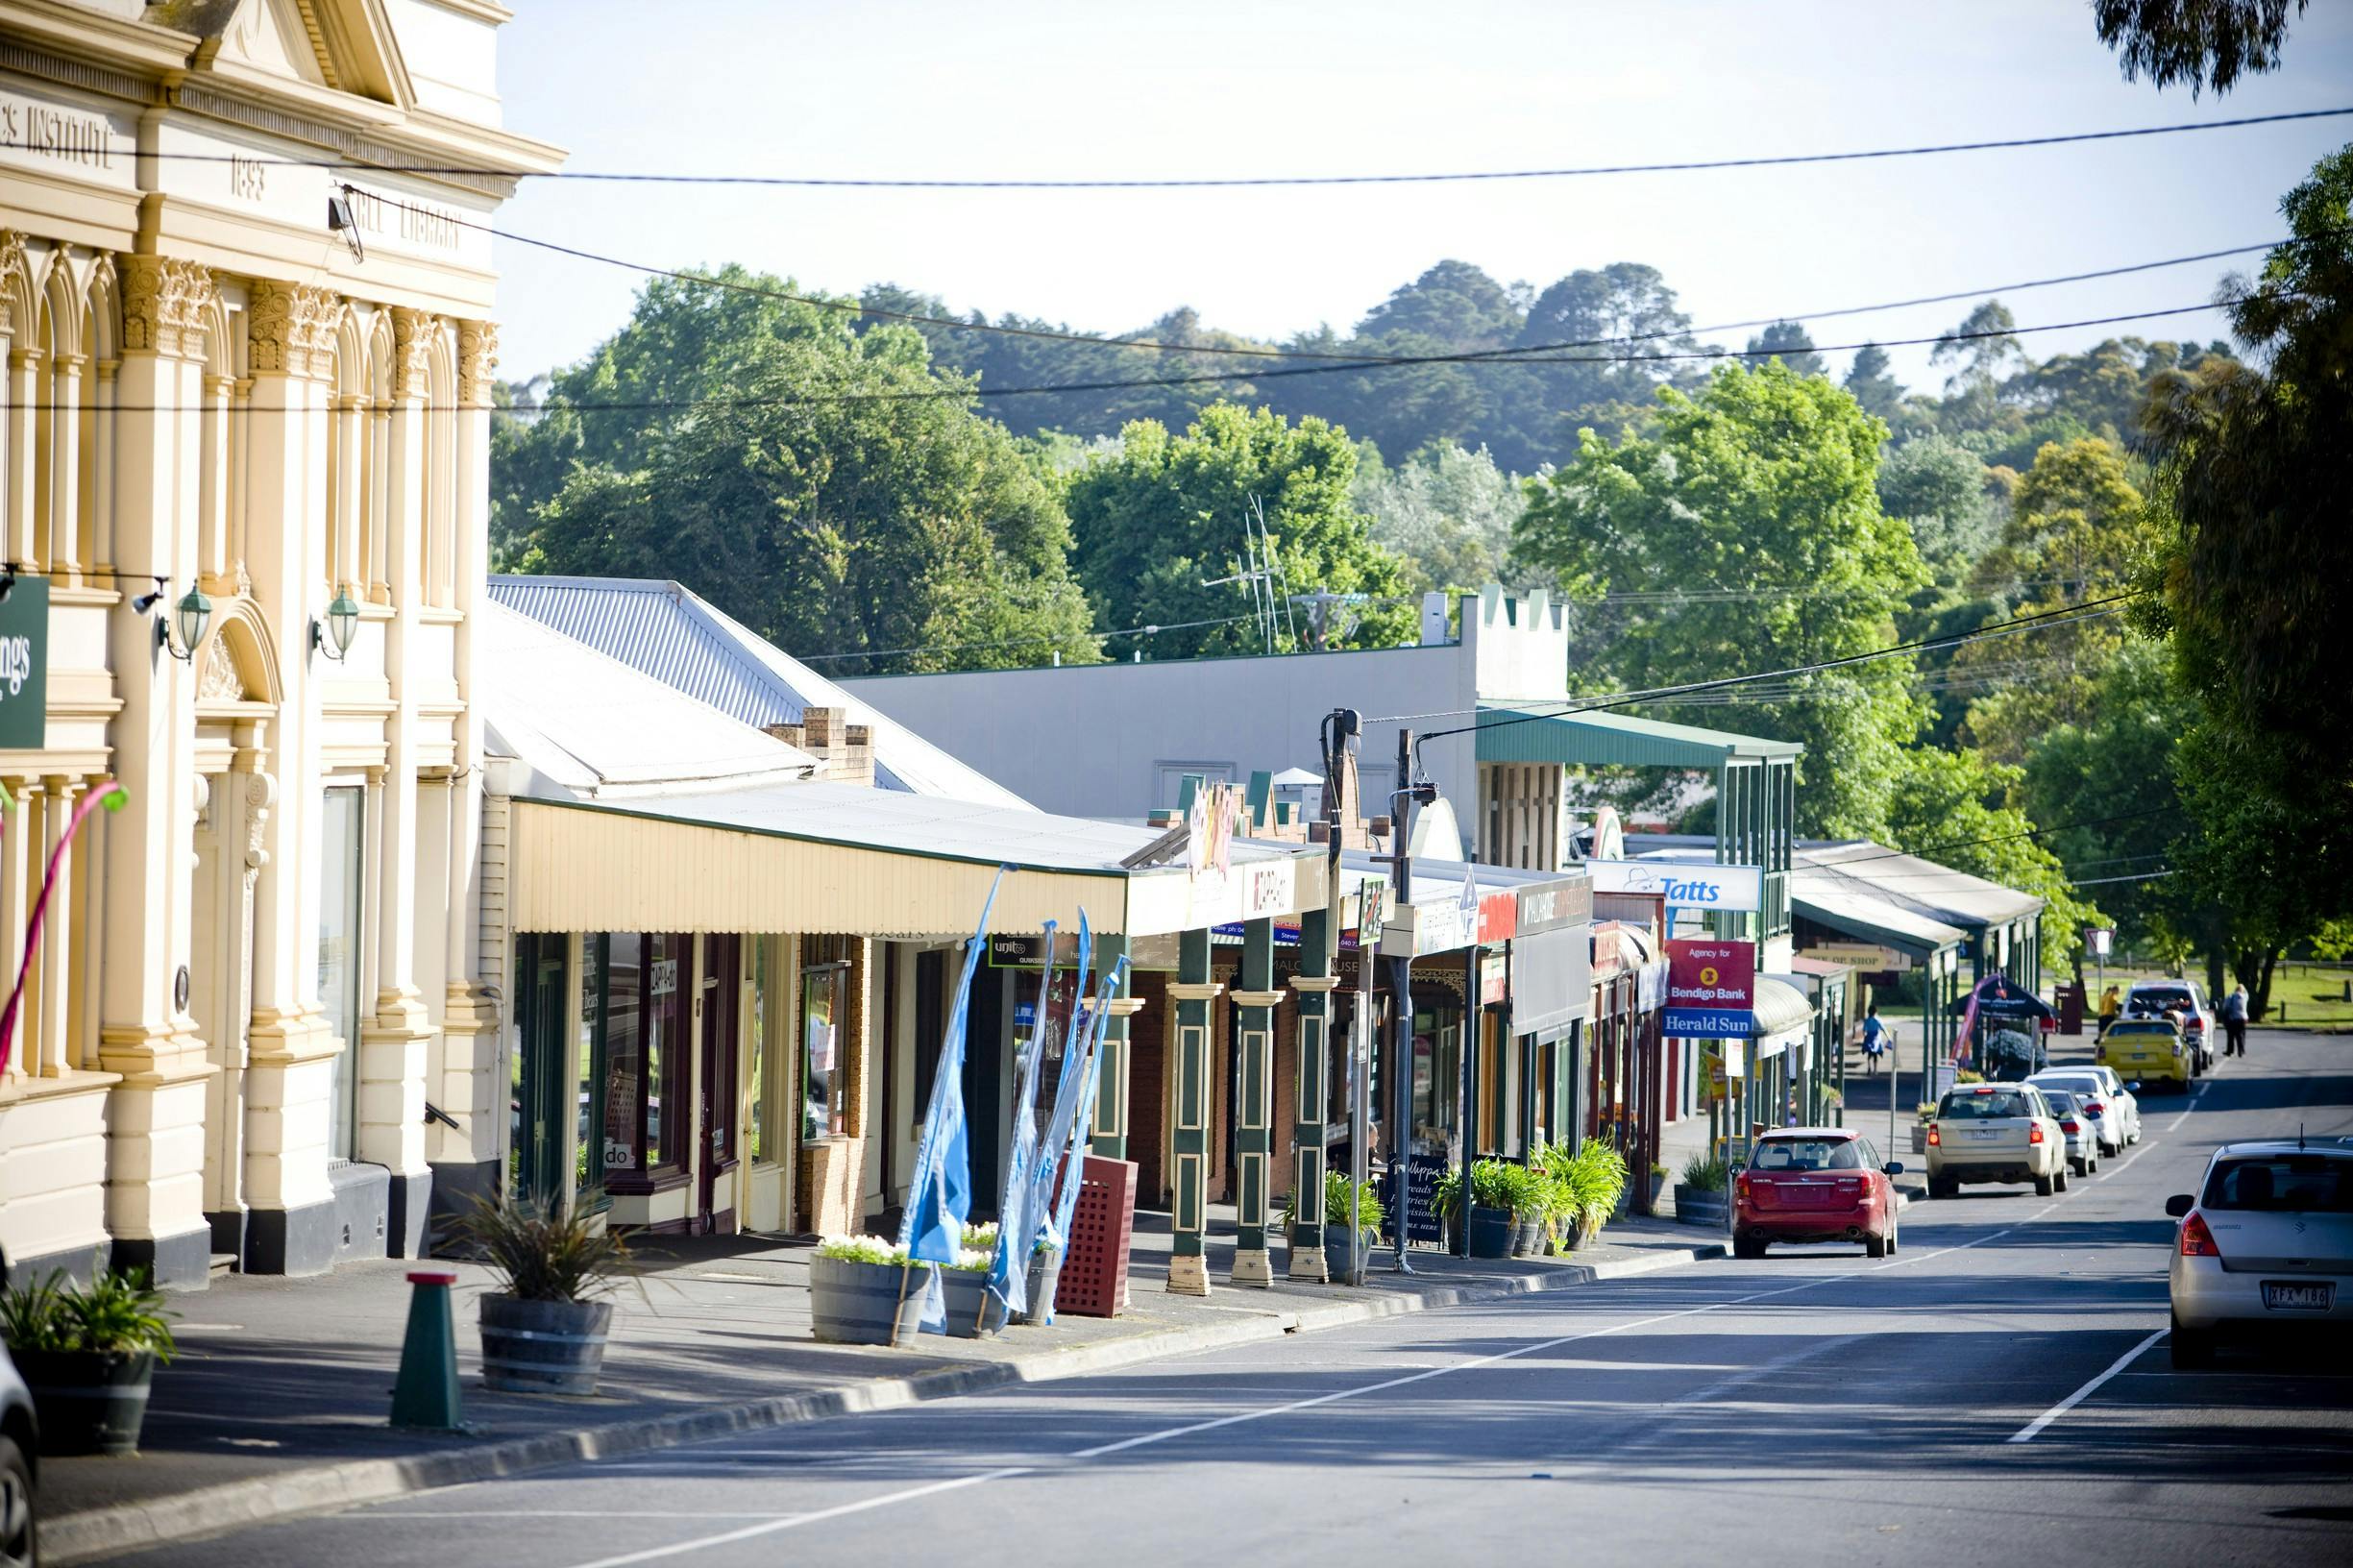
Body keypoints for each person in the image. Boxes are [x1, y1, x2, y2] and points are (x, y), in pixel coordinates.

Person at [1859, 1003, 1892, 1076]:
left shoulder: (1867, 1020)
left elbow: (1864, 1030)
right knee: (1875, 1055)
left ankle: (1869, 1068)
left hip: (1869, 1038)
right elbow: (1883, 1029)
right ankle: (1875, 1070)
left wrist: (1865, 1036)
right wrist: (1889, 1037)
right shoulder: (1878, 1020)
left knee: (1869, 1054)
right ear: (1875, 1012)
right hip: (1876, 1039)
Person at [2220, 984, 2249, 1058]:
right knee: (2241, 1035)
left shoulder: (2231, 996)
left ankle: (2230, 1051)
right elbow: (2246, 993)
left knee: (2231, 1036)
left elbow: (2225, 1006)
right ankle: (2241, 1051)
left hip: (2233, 1018)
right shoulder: (2245, 997)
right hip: (2243, 1019)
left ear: (2235, 989)